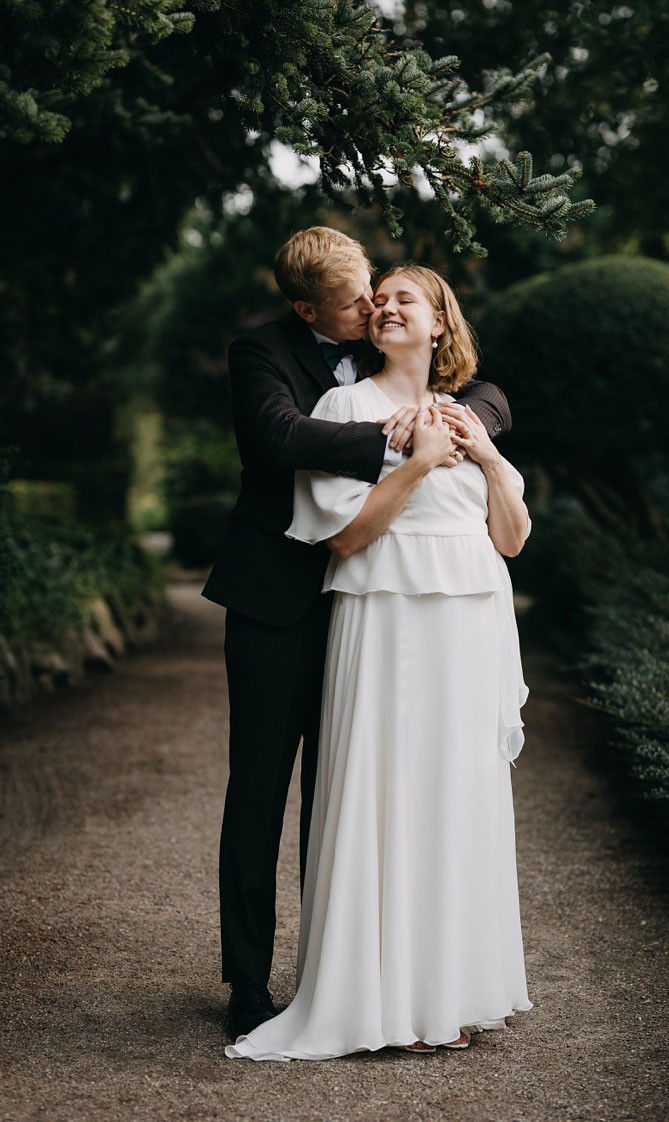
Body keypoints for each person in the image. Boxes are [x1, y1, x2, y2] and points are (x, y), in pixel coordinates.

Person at [203, 228, 513, 1040]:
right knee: (262, 790)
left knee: (350, 792)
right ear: (308, 309)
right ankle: (246, 982)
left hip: (372, 607)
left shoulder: (426, 372)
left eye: (378, 286)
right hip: (280, 600)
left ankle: (346, 969)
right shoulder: (262, 352)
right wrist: (401, 438)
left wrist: (459, 417)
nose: (373, 302)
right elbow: (280, 439)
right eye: (356, 299)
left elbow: (490, 397)